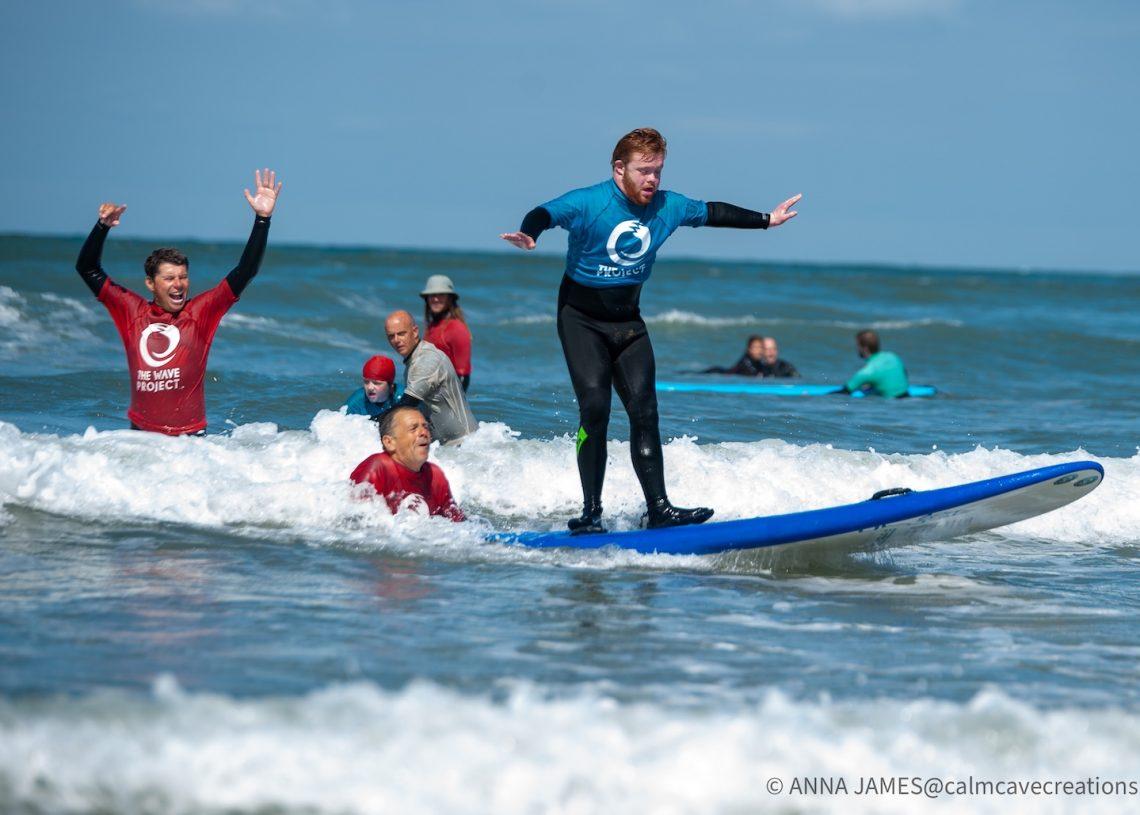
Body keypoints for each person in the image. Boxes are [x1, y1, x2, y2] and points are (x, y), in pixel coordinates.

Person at [501, 127, 801, 533]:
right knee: (596, 409)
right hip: (580, 319)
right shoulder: (589, 202)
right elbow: (544, 213)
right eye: (644, 171)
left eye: (658, 171)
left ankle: (659, 510)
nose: (652, 180)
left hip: (629, 322)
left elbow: (712, 212)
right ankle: (591, 514)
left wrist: (767, 220)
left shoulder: (667, 206)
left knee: (645, 412)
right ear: (619, 169)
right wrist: (529, 233)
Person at [75, 169, 281, 435]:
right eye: (169, 278)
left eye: (183, 277)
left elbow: (246, 271)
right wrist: (101, 227)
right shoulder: (131, 311)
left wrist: (262, 219)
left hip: (189, 441)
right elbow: (88, 268)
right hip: (140, 438)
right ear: (151, 283)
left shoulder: (201, 312)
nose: (178, 284)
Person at [350, 406, 465, 521]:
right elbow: (356, 521)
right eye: (413, 429)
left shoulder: (434, 475)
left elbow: (458, 522)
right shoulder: (378, 468)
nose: (423, 432)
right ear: (389, 442)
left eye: (425, 427)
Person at [384, 310, 477, 444]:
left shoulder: (428, 360)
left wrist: (367, 423)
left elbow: (406, 405)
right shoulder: (413, 361)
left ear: (415, 332)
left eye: (401, 334)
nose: (396, 340)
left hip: (465, 445)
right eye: (391, 336)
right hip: (445, 447)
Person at [420, 275, 473, 391]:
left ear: (450, 299)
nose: (436, 299)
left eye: (441, 295)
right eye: (432, 295)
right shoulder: (431, 327)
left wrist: (452, 401)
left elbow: (463, 375)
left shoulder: (456, 328)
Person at [840, 330, 909, 398]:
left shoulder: (867, 371)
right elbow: (904, 374)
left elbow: (846, 391)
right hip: (907, 397)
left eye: (858, 346)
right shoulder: (892, 356)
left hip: (891, 403)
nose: (856, 349)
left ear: (865, 349)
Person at [344, 354, 399, 421]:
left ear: (391, 387)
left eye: (376, 383)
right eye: (366, 382)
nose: (370, 387)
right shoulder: (355, 404)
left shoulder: (402, 398)